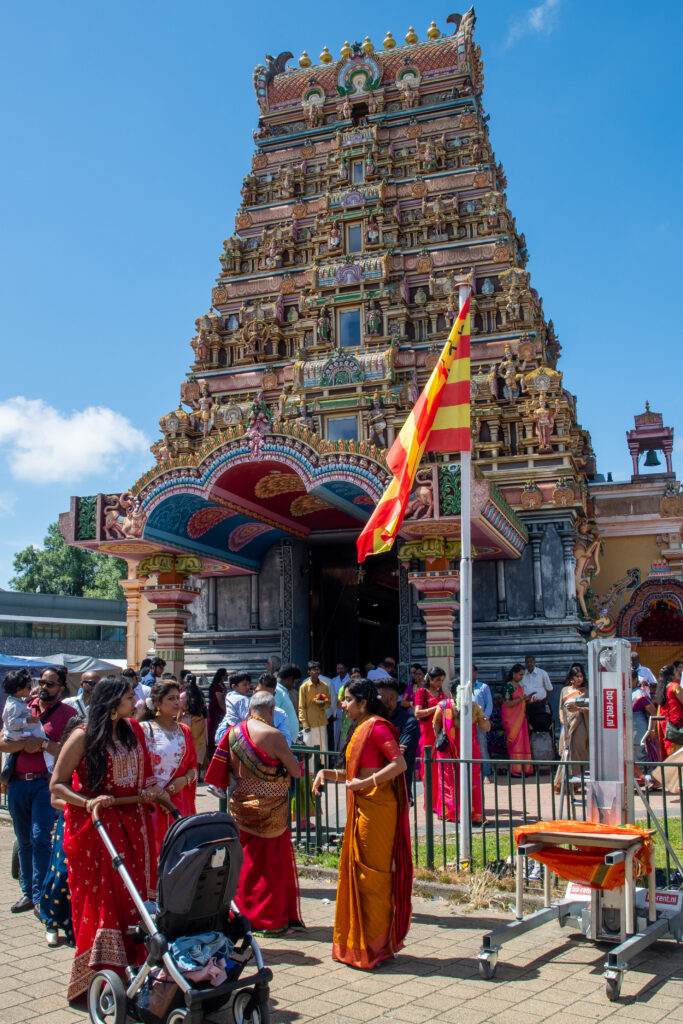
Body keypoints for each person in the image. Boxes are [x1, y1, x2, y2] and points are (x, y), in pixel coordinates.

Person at [49, 676, 161, 1002]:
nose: (136, 702)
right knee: (104, 902)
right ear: (113, 704)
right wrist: (88, 802)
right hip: (97, 831)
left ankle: (133, 969)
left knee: (133, 897)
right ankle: (98, 974)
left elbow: (147, 775)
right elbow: (57, 785)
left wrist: (152, 790)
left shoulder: (135, 731)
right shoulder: (83, 736)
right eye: (129, 697)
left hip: (132, 826)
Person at [313, 679, 412, 969]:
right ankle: (360, 944)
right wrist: (326, 773)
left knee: (374, 876)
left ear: (363, 703)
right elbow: (353, 773)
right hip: (363, 804)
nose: (342, 706)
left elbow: (399, 765)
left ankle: (376, 946)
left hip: (378, 809)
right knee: (358, 875)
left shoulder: (378, 727)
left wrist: (364, 784)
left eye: (347, 700)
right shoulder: (360, 728)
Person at [217, 691, 303, 935]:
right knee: (270, 865)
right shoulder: (274, 735)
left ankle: (240, 914)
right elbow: (295, 771)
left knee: (244, 862)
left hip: (241, 806)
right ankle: (269, 920)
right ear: (270, 710)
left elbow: (221, 769)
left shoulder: (233, 733)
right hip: (271, 809)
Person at [0, 667, 77, 913]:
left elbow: (69, 751)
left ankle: (43, 894)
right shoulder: (22, 706)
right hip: (18, 783)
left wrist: (42, 744)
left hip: (46, 784)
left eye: (50, 684)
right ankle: (28, 894)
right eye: (41, 682)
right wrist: (22, 744)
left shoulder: (69, 714)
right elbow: (3, 742)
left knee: (40, 837)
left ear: (61, 688)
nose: (43, 687)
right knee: (23, 840)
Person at [38, 714, 85, 947]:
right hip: (69, 822)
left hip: (91, 824)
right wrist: (83, 806)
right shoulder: (65, 759)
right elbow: (55, 799)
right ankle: (51, 920)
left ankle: (75, 926)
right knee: (61, 874)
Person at [138, 679, 198, 855]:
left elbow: (193, 766)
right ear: (157, 703)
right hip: (153, 801)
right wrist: (161, 794)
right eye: (170, 699)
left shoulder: (184, 730)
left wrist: (184, 780)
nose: (177, 703)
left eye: (177, 698)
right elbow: (139, 767)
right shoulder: (144, 730)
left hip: (179, 799)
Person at [433, 679, 490, 824]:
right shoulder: (474, 707)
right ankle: (476, 814)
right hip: (470, 748)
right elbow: (486, 727)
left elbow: (436, 726)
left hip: (449, 750)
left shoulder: (442, 706)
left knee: (448, 780)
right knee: (474, 780)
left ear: (451, 692)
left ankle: (452, 813)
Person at [376, 678, 420, 799]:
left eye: (379, 697)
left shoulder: (409, 722)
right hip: (374, 787)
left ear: (390, 698)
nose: (376, 701)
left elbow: (400, 756)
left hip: (399, 788)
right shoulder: (374, 720)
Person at [2, 668, 53, 771]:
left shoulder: (16, 699)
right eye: (29, 687)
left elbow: (25, 699)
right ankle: (50, 766)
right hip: (15, 733)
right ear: (18, 689)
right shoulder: (13, 706)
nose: (30, 689)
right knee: (44, 740)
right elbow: (12, 723)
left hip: (15, 733)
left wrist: (34, 696)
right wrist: (28, 721)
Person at [554, 664, 589, 793]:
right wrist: (563, 720)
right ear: (571, 678)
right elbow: (560, 708)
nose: (580, 679)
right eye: (577, 676)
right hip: (567, 725)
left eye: (581, 676)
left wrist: (579, 709)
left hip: (581, 724)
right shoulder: (564, 690)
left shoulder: (586, 691)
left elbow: (591, 708)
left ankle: (578, 781)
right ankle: (563, 782)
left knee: (579, 751)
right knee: (565, 751)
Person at [414, 666, 446, 804]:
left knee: (440, 767)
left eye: (442, 680)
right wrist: (437, 707)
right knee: (428, 766)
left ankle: (441, 801)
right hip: (427, 732)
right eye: (437, 680)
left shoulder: (442, 694)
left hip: (440, 732)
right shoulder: (422, 692)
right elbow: (417, 713)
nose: (440, 683)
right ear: (430, 679)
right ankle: (430, 802)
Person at [501, 664, 533, 776]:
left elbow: (520, 702)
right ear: (513, 674)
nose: (521, 677)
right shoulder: (508, 687)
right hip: (512, 720)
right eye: (520, 674)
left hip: (520, 719)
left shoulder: (520, 687)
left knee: (523, 742)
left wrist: (526, 700)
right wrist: (521, 699)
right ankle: (515, 769)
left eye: (523, 675)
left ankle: (524, 768)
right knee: (515, 742)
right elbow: (508, 704)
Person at [177, 671, 207, 768]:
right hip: (199, 720)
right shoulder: (200, 694)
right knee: (199, 745)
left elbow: (180, 711)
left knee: (187, 744)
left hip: (186, 720)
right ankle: (197, 773)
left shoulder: (182, 696)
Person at [298, 661, 331, 750]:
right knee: (310, 748)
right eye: (313, 670)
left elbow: (328, 703)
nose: (316, 672)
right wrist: (305, 724)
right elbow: (301, 707)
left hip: (322, 721)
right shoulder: (304, 687)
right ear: (309, 672)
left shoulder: (324, 686)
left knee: (323, 747)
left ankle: (324, 764)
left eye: (317, 669)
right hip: (310, 723)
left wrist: (323, 705)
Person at [631, 669, 658, 770]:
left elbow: (653, 712)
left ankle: (648, 777)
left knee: (639, 750)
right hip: (629, 726)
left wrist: (652, 729)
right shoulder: (626, 693)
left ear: (634, 680)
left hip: (639, 725)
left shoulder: (640, 694)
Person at [215, 672, 251, 744]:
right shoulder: (242, 699)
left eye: (248, 684)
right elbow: (247, 718)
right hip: (235, 733)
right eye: (244, 685)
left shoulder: (230, 696)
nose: (248, 687)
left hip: (223, 732)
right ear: (234, 687)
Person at [656, 663, 683, 756]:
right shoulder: (675, 687)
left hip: (667, 726)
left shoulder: (662, 689)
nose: (678, 672)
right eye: (676, 671)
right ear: (671, 675)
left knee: (671, 756)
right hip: (677, 725)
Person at [472, 664, 493, 781]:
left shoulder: (483, 687)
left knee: (482, 748)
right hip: (466, 724)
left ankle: (486, 774)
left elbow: (489, 704)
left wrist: (484, 719)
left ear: (476, 672)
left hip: (479, 722)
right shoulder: (461, 687)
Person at [275, 663, 301, 741]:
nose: (294, 685)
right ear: (289, 679)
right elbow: (274, 719)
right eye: (295, 682)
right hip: (281, 742)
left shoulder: (284, 691)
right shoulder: (276, 691)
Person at [207, 667, 228, 760]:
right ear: (222, 675)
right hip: (216, 711)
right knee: (214, 729)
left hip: (220, 711)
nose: (227, 676)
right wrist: (226, 711)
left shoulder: (222, 685)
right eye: (226, 674)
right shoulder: (217, 687)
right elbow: (220, 700)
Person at [329, 662, 350, 749]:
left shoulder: (350, 680)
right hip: (336, 713)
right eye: (338, 668)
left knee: (345, 736)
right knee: (336, 736)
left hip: (348, 714)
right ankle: (335, 757)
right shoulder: (333, 680)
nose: (340, 671)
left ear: (346, 669)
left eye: (342, 668)